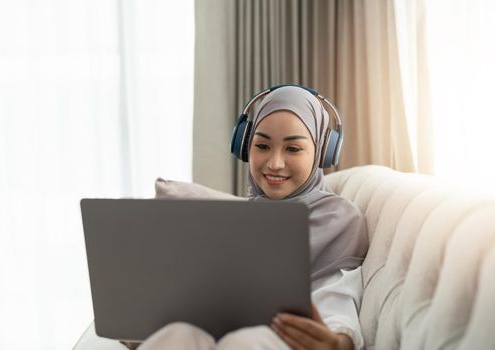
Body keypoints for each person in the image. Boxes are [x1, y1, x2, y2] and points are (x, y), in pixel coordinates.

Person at [127, 85, 369, 350]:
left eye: (293, 149)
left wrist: (338, 342)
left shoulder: (338, 220)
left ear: (321, 152)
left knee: (245, 341)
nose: (275, 163)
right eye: (262, 145)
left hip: (273, 341)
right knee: (178, 335)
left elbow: (339, 300)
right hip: (215, 335)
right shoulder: (235, 221)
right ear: (245, 147)